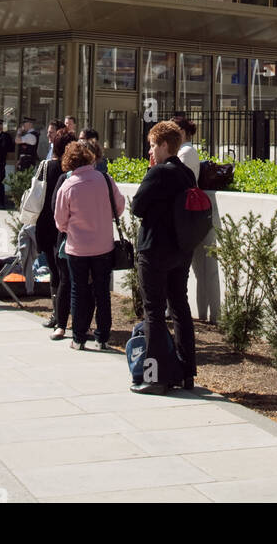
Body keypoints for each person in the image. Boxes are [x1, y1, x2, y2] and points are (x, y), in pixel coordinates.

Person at [131, 119, 197, 395]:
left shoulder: (157, 174)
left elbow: (137, 206)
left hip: (154, 249)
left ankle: (154, 376)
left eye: (153, 145)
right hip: (180, 250)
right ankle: (186, 370)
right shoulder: (186, 174)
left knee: (154, 312)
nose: (151, 151)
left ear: (164, 145)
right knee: (180, 307)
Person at [54, 141, 125, 352]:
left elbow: (60, 221)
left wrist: (72, 228)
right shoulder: (104, 179)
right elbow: (119, 206)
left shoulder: (68, 186)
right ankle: (103, 336)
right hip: (103, 245)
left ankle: (78, 336)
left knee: (78, 290)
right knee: (102, 291)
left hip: (77, 247)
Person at [36, 124, 77, 338]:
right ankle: (64, 315)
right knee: (66, 274)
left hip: (45, 224)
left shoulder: (47, 167)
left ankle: (56, 315)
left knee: (56, 273)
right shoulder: (67, 172)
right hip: (62, 227)